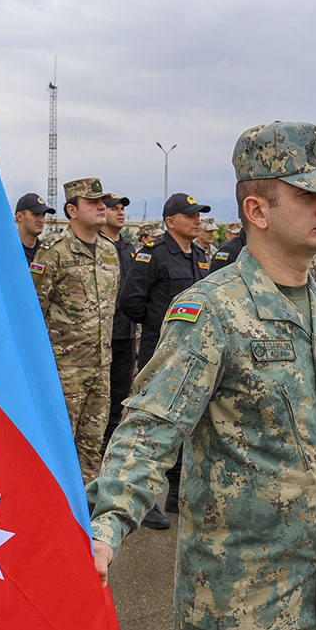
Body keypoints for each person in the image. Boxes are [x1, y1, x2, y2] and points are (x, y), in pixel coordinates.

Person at [87, 120, 316, 630]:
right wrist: (108, 525)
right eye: (309, 195)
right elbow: (150, 428)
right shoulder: (212, 311)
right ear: (257, 210)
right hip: (237, 599)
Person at [119, 191, 211, 530]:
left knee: (186, 424)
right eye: (190, 215)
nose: (197, 219)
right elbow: (131, 301)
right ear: (170, 222)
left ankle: (175, 494)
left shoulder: (199, 256)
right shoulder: (153, 255)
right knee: (153, 426)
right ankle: (141, 502)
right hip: (161, 353)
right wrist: (160, 329)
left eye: (198, 214)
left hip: (194, 354)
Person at [30, 178, 119, 483]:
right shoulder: (53, 252)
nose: (101, 206)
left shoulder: (110, 252)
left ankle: (84, 518)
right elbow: (34, 315)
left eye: (102, 201)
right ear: (72, 210)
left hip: (100, 371)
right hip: (63, 373)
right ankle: (50, 518)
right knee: (57, 449)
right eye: (92, 202)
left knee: (92, 451)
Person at [98, 193, 137, 459]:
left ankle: (108, 455)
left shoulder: (129, 249)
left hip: (125, 335)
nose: (120, 212)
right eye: (114, 208)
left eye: (123, 208)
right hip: (101, 337)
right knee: (98, 403)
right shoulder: (97, 245)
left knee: (118, 401)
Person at [14, 192, 55, 264]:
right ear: (19, 216)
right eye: (36, 214)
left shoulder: (47, 252)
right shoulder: (6, 250)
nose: (41, 220)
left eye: (43, 215)